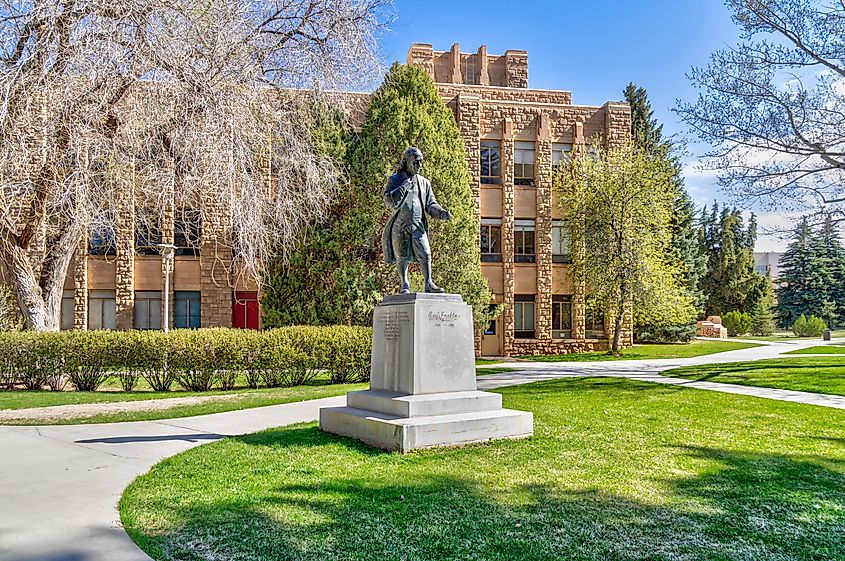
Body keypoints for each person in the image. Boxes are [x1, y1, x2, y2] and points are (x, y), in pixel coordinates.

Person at [382, 147, 452, 293]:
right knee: (401, 256)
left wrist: (441, 213)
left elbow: (431, 204)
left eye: (420, 162)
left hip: (418, 225)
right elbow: (388, 200)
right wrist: (402, 188)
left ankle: (428, 283)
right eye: (415, 162)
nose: (418, 165)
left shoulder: (424, 183)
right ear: (406, 162)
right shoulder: (395, 179)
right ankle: (404, 284)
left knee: (425, 253)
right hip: (400, 225)